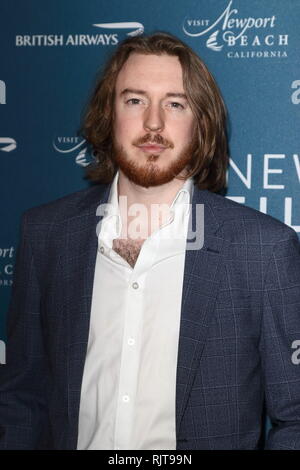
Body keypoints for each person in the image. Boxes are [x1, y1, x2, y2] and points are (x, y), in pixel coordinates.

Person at [0, 32, 300, 451]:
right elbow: (21, 398)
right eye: (135, 100)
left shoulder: (264, 250)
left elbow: (296, 418)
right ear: (110, 114)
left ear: (201, 122)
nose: (153, 123)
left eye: (175, 103)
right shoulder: (47, 235)